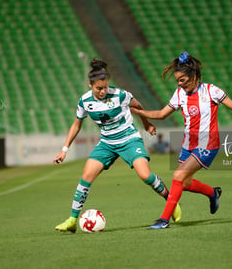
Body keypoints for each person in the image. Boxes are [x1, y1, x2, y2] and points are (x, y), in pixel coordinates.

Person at [131, 52, 232, 230]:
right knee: (185, 183)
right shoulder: (179, 94)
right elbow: (161, 114)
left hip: (208, 144)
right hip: (188, 144)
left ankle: (163, 220)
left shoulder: (211, 91)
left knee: (177, 176)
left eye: (182, 80)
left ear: (194, 76)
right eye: (178, 80)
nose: (179, 84)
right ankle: (213, 193)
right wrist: (139, 113)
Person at [53, 58, 181, 233]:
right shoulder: (84, 101)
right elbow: (76, 124)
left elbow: (138, 106)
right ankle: (72, 220)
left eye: (105, 87)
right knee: (86, 177)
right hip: (107, 143)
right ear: (90, 85)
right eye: (99, 88)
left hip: (129, 139)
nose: (103, 91)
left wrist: (146, 123)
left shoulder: (120, 94)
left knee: (145, 175)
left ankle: (171, 201)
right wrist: (64, 149)